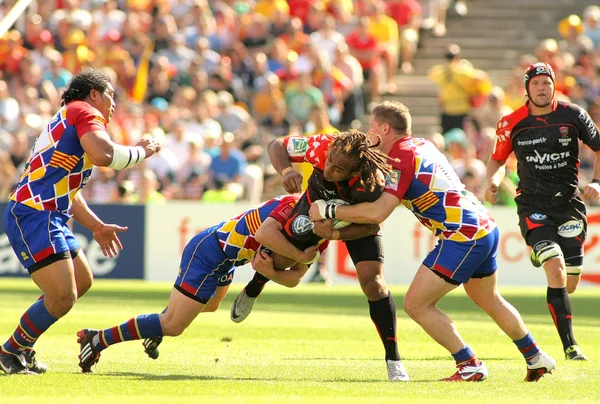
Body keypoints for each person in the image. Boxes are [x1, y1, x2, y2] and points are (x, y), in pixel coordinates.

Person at [310, 101, 557, 382]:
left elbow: (379, 212)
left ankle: (469, 365)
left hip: (462, 235)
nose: (368, 134)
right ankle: (535, 356)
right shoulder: (421, 144)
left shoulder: (400, 156)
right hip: (482, 225)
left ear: (385, 128)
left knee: (416, 304)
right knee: (489, 298)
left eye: (372, 127)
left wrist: (330, 210)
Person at [0, 67, 161, 375]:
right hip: (35, 214)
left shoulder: (70, 119)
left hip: (48, 214)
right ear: (94, 94)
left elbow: (68, 190)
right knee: (63, 295)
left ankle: (22, 346)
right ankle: (10, 351)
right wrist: (142, 151)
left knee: (81, 281)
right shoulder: (84, 111)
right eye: (111, 95)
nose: (114, 103)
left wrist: (97, 226)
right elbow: (104, 154)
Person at [231, 130, 410, 381]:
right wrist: (287, 171)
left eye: (338, 169)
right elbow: (276, 145)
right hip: (313, 208)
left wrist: (335, 234)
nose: (328, 170)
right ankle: (255, 286)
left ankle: (393, 359)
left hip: (353, 222)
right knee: (281, 261)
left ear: (355, 172)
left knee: (374, 284)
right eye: (329, 161)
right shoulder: (322, 146)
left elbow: (370, 224)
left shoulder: (371, 184)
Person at [76, 194, 327, 372]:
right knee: (174, 325)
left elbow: (295, 278)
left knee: (209, 306)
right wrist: (303, 256)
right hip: (210, 252)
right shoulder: (291, 205)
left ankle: (155, 327)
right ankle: (97, 339)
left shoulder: (322, 233)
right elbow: (266, 237)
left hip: (226, 259)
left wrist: (269, 272)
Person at [485, 62, 600, 361]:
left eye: (546, 83)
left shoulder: (572, 114)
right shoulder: (512, 123)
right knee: (555, 268)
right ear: (527, 88)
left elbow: (599, 146)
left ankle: (540, 251)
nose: (541, 88)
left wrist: (598, 183)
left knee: (570, 282)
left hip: (569, 204)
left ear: (553, 86)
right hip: (533, 204)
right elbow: (497, 160)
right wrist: (493, 183)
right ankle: (570, 346)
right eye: (536, 83)